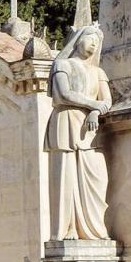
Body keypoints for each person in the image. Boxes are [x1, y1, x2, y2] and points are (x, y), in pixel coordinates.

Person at [44, 25, 113, 241]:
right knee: (66, 177)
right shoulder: (62, 64)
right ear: (78, 40)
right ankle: (68, 229)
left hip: (90, 129)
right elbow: (63, 94)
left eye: (97, 42)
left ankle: (93, 229)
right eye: (90, 38)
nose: (93, 44)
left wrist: (95, 111)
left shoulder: (98, 72)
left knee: (98, 177)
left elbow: (107, 100)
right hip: (66, 121)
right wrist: (94, 104)